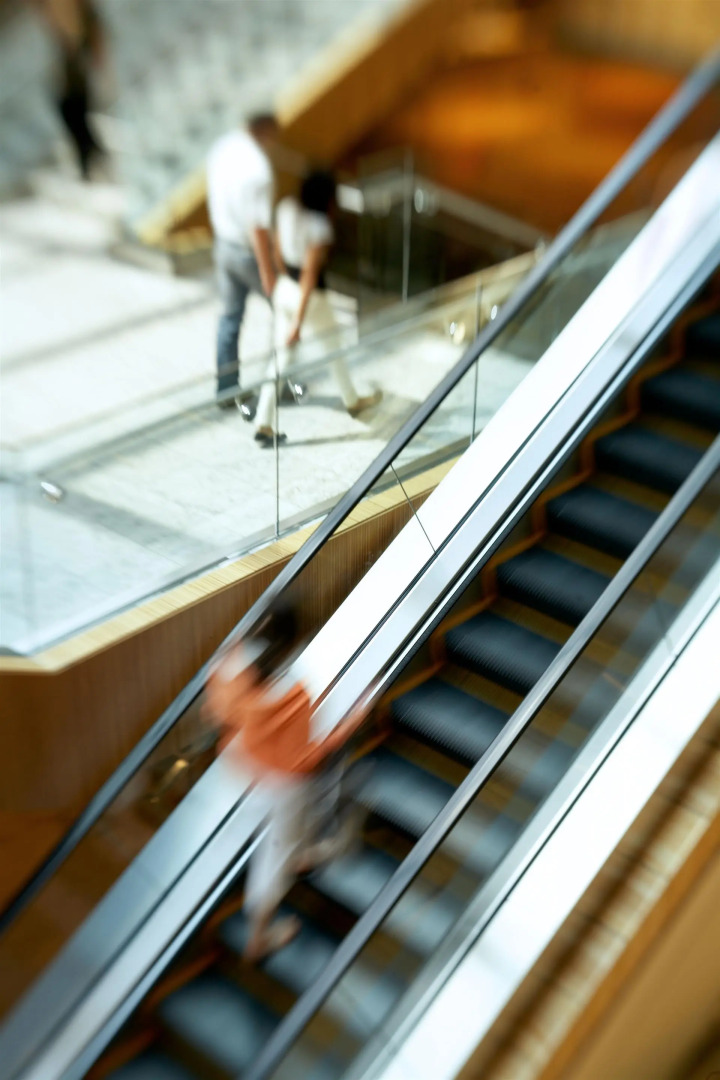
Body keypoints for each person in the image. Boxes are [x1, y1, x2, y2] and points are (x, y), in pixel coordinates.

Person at [204, 602, 367, 961]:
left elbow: (215, 711)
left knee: (285, 826)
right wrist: (350, 724)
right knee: (274, 858)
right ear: (295, 639)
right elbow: (304, 759)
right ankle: (258, 938)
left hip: (239, 764)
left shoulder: (232, 663)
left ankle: (302, 850)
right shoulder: (293, 694)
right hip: (280, 784)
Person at [254, 170, 381, 447]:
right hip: (309, 298)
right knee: (334, 348)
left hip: (285, 288)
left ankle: (263, 422)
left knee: (280, 358)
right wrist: (299, 322)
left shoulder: (286, 208)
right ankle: (353, 401)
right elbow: (310, 274)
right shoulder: (320, 226)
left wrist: (281, 276)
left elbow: (275, 246)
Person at [207, 113, 279, 411]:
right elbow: (257, 225)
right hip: (249, 254)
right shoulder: (258, 168)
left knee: (229, 319)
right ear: (266, 129)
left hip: (223, 246)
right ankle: (277, 384)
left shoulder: (222, 147)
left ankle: (226, 389)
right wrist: (269, 272)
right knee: (285, 314)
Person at [34, 0, 105, 179]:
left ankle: (90, 152)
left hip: (77, 41)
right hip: (71, 43)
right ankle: (89, 151)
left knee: (71, 103)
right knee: (69, 104)